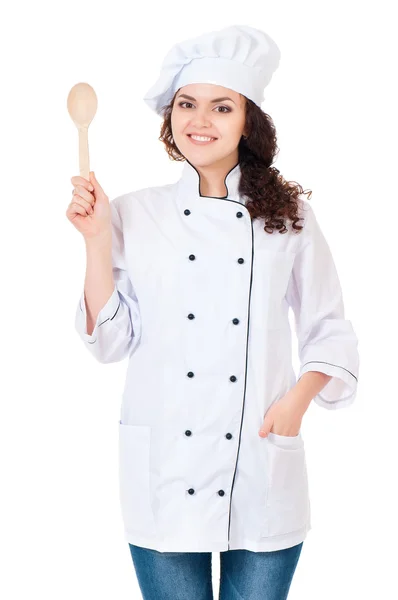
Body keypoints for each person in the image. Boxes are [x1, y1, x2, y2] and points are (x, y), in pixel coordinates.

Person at [67, 24, 359, 600]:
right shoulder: (133, 213)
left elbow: (330, 327)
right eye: (187, 105)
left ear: (248, 120)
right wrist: (97, 240)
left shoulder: (290, 216)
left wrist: (297, 403)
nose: (199, 120)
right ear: (169, 119)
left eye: (220, 107)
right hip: (166, 469)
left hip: (261, 458)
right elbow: (109, 343)